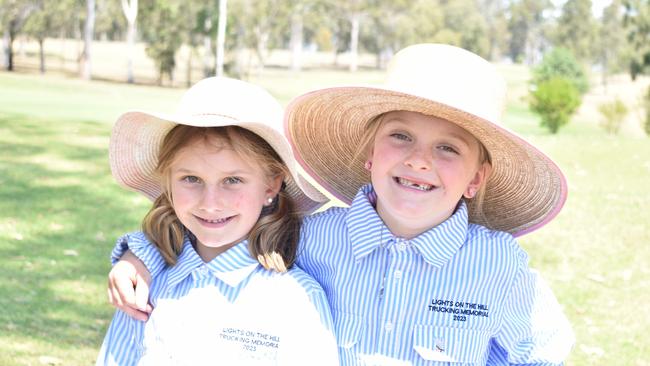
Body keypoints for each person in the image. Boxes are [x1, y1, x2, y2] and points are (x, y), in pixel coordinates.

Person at [107, 44, 574, 365]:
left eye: (448, 148)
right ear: (369, 154)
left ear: (476, 178)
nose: (418, 160)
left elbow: (540, 352)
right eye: (400, 136)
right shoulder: (312, 237)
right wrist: (141, 256)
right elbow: (217, 233)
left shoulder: (499, 264)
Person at [96, 77, 338, 366]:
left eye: (232, 180)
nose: (210, 203)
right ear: (169, 183)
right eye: (191, 179)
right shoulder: (145, 284)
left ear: (271, 187)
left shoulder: (295, 300)